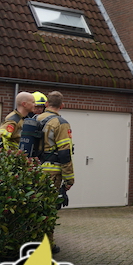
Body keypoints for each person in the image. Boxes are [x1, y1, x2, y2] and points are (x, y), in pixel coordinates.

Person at [36, 91, 75, 253]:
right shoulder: (61, 123)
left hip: (33, 170)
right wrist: (69, 179)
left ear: (46, 104)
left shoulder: (35, 119)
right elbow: (65, 153)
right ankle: (47, 245)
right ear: (62, 106)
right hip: (52, 172)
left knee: (35, 207)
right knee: (49, 208)